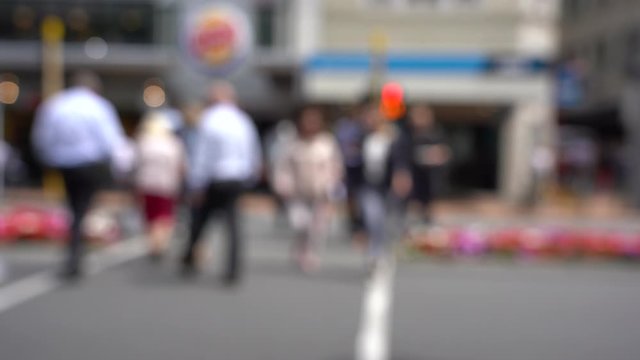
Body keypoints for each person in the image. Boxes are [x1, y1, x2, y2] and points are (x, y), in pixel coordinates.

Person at [32, 71, 129, 280]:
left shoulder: (56, 104)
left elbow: (42, 137)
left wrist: (49, 158)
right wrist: (121, 171)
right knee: (81, 208)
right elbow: (111, 141)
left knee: (74, 208)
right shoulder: (98, 106)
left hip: (64, 164)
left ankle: (74, 251)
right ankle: (76, 252)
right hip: (89, 164)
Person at [182, 81, 262, 286]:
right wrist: (251, 177)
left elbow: (202, 154)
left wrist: (196, 183)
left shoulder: (209, 119)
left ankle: (190, 257)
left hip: (215, 177)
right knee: (233, 224)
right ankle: (233, 268)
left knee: (200, 219)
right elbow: (252, 152)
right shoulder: (243, 120)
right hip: (236, 178)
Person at [274, 105, 344, 272]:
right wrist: (283, 184)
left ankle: (310, 253)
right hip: (298, 191)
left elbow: (335, 166)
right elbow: (283, 167)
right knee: (299, 222)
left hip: (320, 191)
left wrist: (332, 186)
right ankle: (299, 245)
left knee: (318, 227)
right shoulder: (293, 143)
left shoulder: (326, 143)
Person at [359, 101, 412, 266]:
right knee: (373, 218)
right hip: (369, 184)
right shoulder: (363, 137)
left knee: (391, 219)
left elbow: (401, 161)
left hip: (388, 184)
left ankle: (389, 249)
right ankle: (375, 252)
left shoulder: (394, 136)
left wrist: (401, 177)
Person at [133, 111, 187, 260]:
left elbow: (134, 163)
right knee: (165, 215)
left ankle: (154, 244)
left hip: (146, 184)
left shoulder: (143, 141)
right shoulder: (174, 143)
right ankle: (161, 243)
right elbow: (181, 166)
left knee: (150, 215)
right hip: (167, 185)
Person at [406, 104, 450, 224]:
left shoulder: (437, 134)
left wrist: (436, 155)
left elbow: (445, 154)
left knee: (431, 215)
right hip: (414, 181)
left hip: (432, 181)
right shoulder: (408, 135)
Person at [335, 103, 366, 243]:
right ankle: (353, 225)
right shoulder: (342, 126)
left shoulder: (361, 127)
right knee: (349, 197)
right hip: (346, 166)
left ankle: (361, 225)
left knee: (361, 197)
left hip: (360, 167)